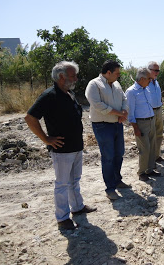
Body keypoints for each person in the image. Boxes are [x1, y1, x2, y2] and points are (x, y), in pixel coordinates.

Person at [25, 61, 97, 231]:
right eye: (73, 76)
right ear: (61, 76)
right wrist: (46, 139)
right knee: (62, 184)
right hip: (62, 149)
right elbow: (30, 118)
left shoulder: (68, 93)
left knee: (75, 180)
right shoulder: (49, 95)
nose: (76, 79)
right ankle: (62, 218)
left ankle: (77, 207)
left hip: (76, 146)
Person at [85, 60, 130, 200]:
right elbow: (98, 105)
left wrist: (124, 111)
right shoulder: (94, 84)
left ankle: (117, 180)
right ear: (108, 72)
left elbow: (124, 98)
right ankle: (110, 188)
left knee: (119, 154)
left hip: (117, 124)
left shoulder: (116, 84)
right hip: (102, 125)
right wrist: (118, 113)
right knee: (108, 156)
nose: (118, 76)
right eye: (116, 73)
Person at [125, 68, 160, 181]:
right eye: (149, 78)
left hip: (151, 120)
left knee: (152, 146)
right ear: (141, 79)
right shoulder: (131, 92)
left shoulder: (146, 89)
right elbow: (130, 111)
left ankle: (150, 169)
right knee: (144, 149)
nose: (151, 80)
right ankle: (141, 172)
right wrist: (135, 127)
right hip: (141, 123)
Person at [147, 61, 164, 162]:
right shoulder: (145, 82)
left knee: (159, 134)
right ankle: (150, 158)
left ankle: (157, 156)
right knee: (151, 136)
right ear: (149, 70)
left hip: (158, 110)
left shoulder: (156, 81)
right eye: (156, 70)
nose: (157, 72)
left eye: (158, 70)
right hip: (150, 112)